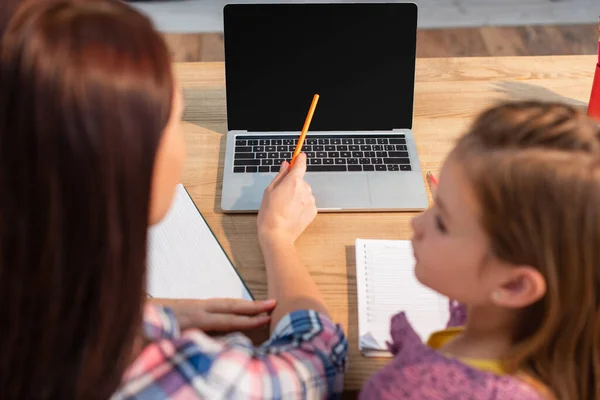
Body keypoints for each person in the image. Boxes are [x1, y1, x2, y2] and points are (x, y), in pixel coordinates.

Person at [0, 1, 347, 399]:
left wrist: (146, 317)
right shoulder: (198, 380)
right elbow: (321, 359)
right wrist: (276, 233)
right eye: (176, 120)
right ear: (128, 164)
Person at [360, 101, 600, 399]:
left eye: (442, 222)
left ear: (514, 285)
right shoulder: (562, 350)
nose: (416, 223)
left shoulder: (404, 391)